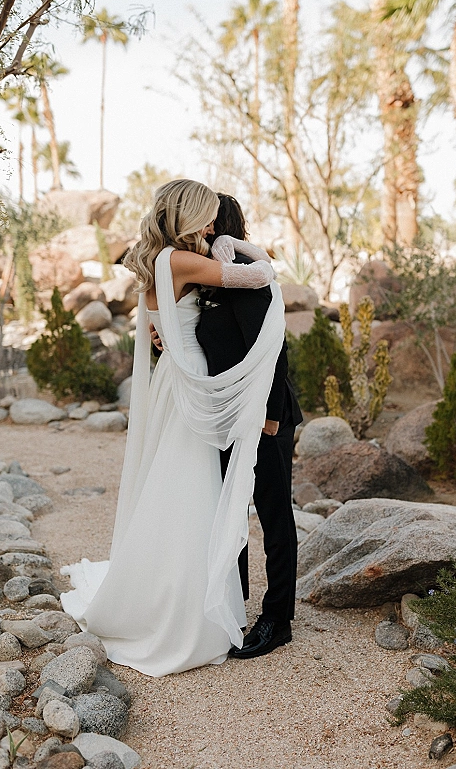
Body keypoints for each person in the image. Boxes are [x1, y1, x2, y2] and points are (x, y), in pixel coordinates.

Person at [60, 179, 286, 677]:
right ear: (187, 219)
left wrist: (170, 340)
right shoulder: (182, 261)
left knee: (178, 491)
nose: (211, 227)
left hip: (174, 381)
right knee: (191, 494)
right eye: (205, 219)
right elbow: (262, 274)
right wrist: (233, 244)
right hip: (192, 389)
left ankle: (175, 597)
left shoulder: (154, 259)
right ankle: (184, 615)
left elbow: (160, 325)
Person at [152, 194, 302, 658]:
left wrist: (271, 418)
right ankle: (232, 607)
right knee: (227, 512)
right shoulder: (208, 284)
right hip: (223, 416)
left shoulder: (246, 283)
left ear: (224, 228)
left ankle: (278, 617)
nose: (204, 231)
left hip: (264, 419)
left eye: (211, 224)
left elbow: (269, 350)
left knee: (273, 512)